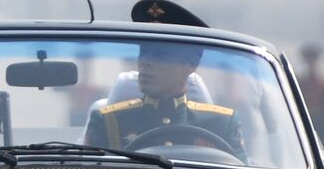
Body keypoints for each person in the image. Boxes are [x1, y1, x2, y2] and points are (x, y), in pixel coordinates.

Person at [84, 39, 245, 159]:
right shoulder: (108, 122)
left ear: (191, 64)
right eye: (143, 52)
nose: (145, 62)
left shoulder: (222, 124)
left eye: (160, 55)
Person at [296, 43, 324, 152]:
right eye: (309, 60)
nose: (311, 63)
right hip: (305, 122)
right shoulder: (300, 83)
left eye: (313, 60)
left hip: (322, 125)